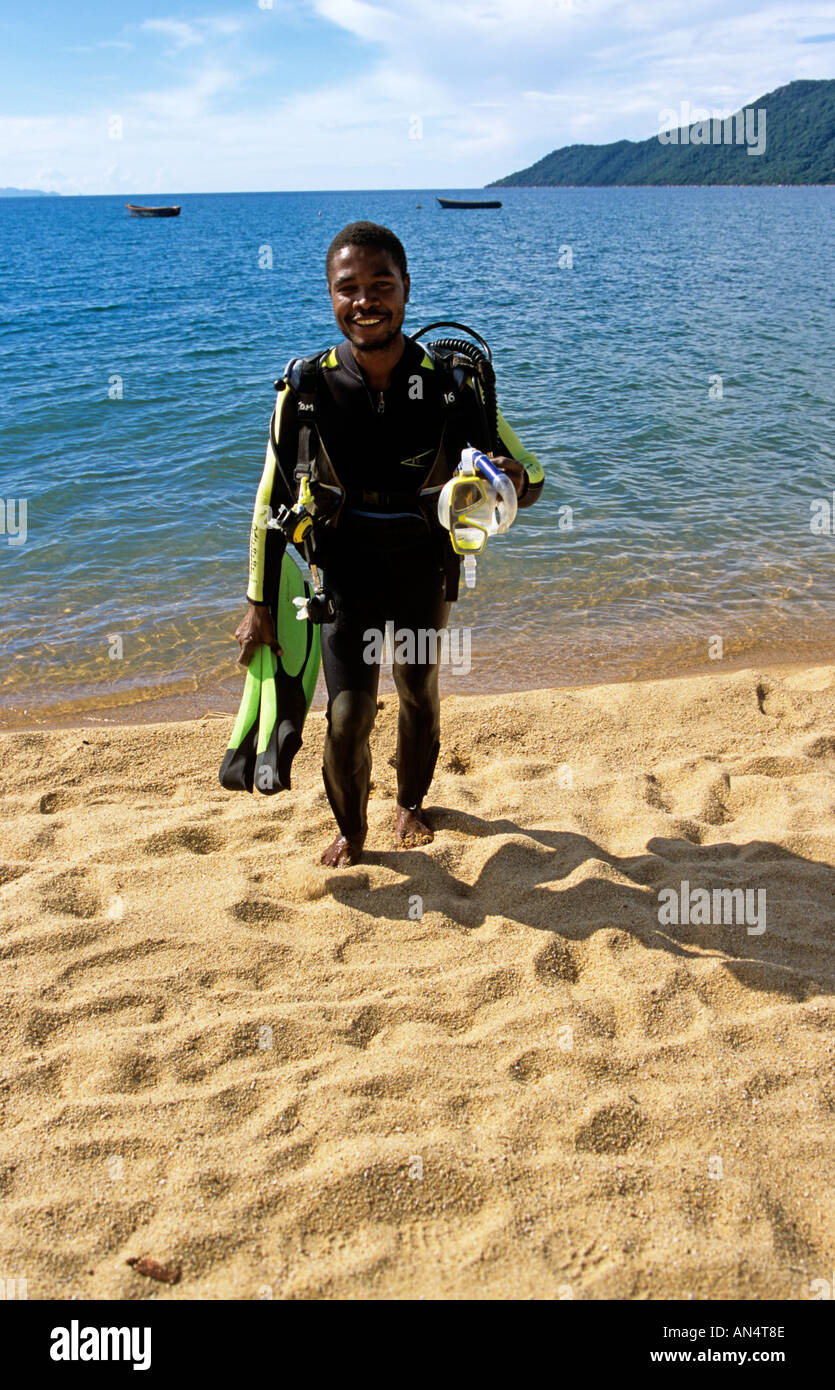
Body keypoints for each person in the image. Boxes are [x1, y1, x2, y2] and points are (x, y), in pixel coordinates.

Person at [235, 221, 543, 867]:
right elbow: (269, 501)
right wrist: (259, 602)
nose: (365, 300)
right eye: (349, 288)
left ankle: (409, 801)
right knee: (346, 716)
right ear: (330, 296)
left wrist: (511, 478)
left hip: (422, 567)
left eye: (381, 285)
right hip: (341, 572)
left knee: (416, 690)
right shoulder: (306, 389)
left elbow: (531, 474)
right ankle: (351, 830)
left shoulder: (452, 386)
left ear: (405, 290)